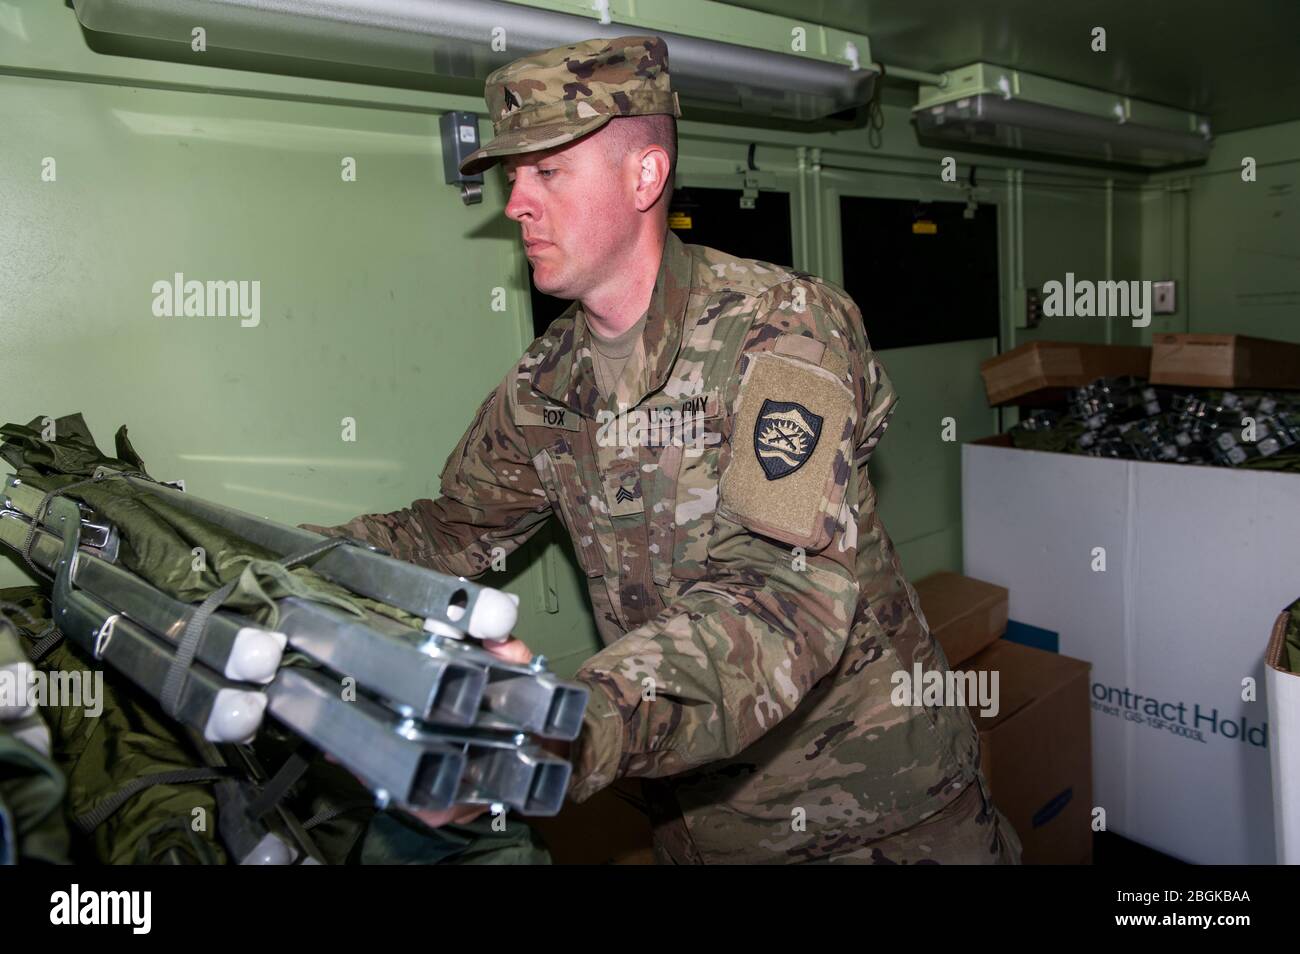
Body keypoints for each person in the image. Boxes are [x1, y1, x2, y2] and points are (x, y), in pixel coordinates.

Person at [303, 35, 1022, 864]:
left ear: (644, 177)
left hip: (873, 823)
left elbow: (779, 597)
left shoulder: (784, 328)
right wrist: (299, 566)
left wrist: (554, 729)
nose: (515, 205)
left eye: (546, 173)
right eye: (511, 179)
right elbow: (450, 531)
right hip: (699, 830)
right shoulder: (546, 382)